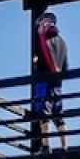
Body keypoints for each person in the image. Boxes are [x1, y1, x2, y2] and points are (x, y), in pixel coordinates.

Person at [30, 11, 68, 150]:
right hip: (57, 83)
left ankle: (46, 146)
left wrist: (37, 63)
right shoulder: (62, 42)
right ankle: (65, 146)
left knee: (44, 113)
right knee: (59, 114)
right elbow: (66, 66)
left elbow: (44, 58)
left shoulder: (43, 40)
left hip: (45, 81)